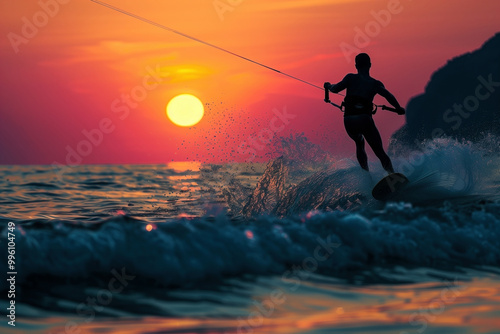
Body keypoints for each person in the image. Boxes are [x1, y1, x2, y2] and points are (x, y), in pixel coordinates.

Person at [324, 53, 405, 174]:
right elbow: (387, 95)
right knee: (379, 151)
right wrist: (398, 108)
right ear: (370, 65)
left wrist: (328, 85)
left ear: (356, 65)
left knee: (359, 142)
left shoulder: (350, 78)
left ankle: (366, 176)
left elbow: (335, 89)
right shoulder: (375, 83)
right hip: (364, 119)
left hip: (349, 120)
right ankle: (393, 176)